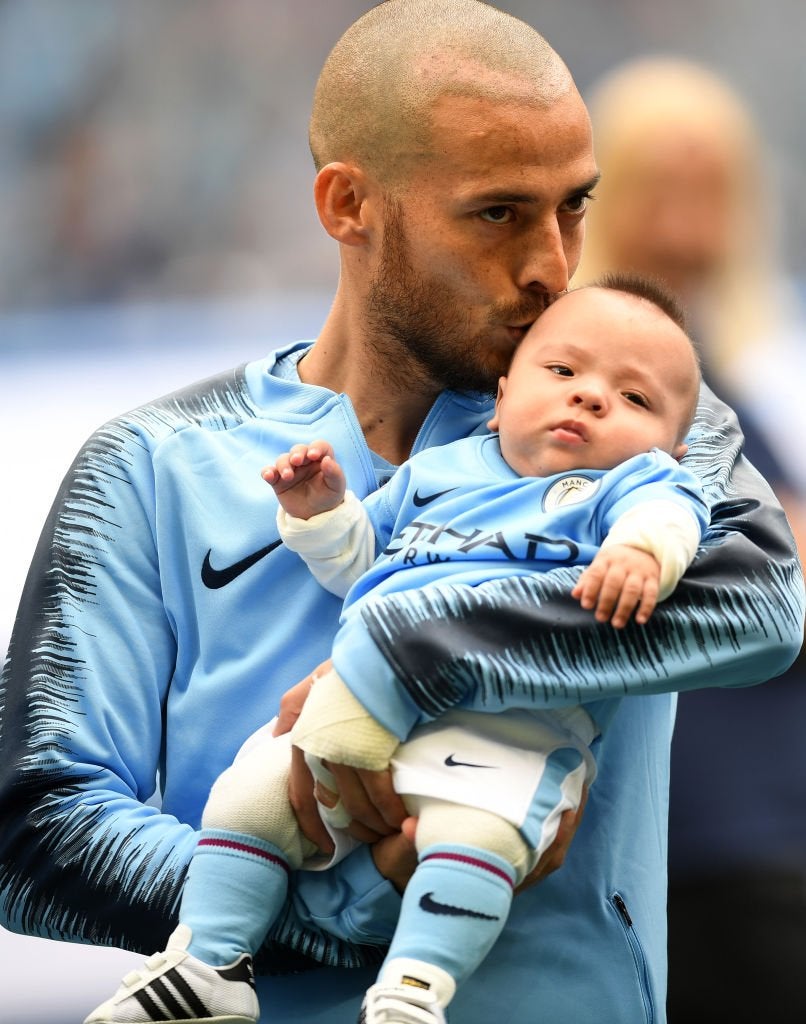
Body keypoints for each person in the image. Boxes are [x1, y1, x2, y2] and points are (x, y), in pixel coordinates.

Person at [0, 5, 802, 1024]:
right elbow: (34, 828)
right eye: (497, 214)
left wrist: (416, 648)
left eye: (573, 207)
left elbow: (764, 602)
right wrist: (352, 899)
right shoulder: (148, 462)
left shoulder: (636, 417)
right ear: (346, 205)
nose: (552, 265)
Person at [83, 275, 708, 1024]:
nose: (592, 397)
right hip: (356, 706)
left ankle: (414, 990)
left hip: (505, 728)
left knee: (475, 840)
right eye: (564, 372)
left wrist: (642, 553)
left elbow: (670, 517)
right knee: (249, 799)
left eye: (634, 399)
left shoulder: (623, 488)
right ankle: (208, 963)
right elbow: (364, 562)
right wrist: (320, 512)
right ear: (504, 394)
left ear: (673, 448)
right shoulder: (438, 475)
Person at [573, 56, 806, 1022]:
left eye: (710, 192)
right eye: (657, 189)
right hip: (694, 834)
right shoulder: (597, 386)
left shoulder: (727, 378)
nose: (685, 228)